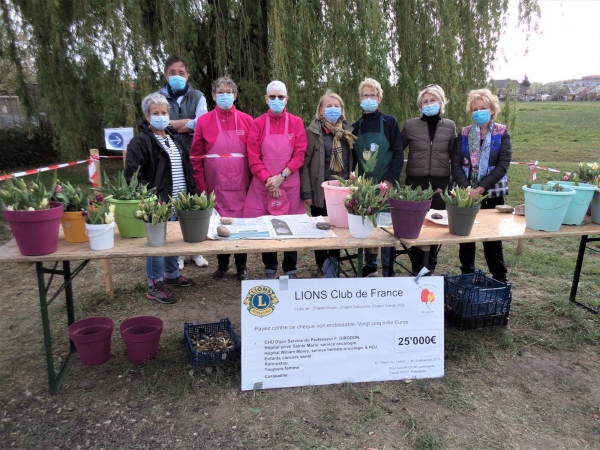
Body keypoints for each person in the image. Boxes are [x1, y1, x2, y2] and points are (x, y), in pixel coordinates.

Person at [125, 93, 197, 304]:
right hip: (159, 202)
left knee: (173, 240)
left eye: (164, 112)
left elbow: (184, 168)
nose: (161, 116)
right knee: (157, 245)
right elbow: (134, 175)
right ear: (147, 117)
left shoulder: (173, 138)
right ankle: (154, 284)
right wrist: (151, 198)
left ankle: (172, 274)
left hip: (179, 199)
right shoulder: (140, 142)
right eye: (156, 113)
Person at [190, 77, 253, 281]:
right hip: (214, 184)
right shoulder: (204, 121)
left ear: (235, 96)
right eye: (221, 92)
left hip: (241, 184)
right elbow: (196, 156)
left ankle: (241, 266)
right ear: (213, 95)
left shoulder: (247, 120)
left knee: (240, 225)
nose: (225, 95)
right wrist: (202, 185)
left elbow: (253, 154)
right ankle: (223, 264)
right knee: (218, 224)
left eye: (229, 92)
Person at [242, 80, 307, 279]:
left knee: (291, 227)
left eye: (280, 97)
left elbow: (300, 154)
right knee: (266, 226)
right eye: (272, 97)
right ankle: (269, 267)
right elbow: (253, 157)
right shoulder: (257, 123)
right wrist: (269, 180)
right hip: (264, 184)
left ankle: (290, 268)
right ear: (266, 99)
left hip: (289, 183)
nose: (277, 100)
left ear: (287, 99)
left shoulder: (296, 122)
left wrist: (282, 177)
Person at [451, 88, 512, 282]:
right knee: (466, 238)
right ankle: (467, 276)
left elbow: (503, 164)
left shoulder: (502, 133)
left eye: (483, 108)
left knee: (492, 238)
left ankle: (500, 278)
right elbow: (456, 163)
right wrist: (468, 189)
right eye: (475, 109)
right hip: (466, 193)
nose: (479, 112)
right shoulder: (464, 133)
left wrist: (481, 188)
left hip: (492, 192)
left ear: (492, 110)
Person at [157, 55, 209, 270]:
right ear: (165, 74)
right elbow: (156, 124)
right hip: (166, 153)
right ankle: (177, 253)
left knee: (193, 198)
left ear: (187, 75)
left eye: (181, 73)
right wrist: (186, 122)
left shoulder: (198, 96)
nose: (177, 76)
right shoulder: (158, 97)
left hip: (192, 151)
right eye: (172, 73)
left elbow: (201, 123)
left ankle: (195, 250)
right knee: (171, 199)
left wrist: (170, 124)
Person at [401, 84, 456, 274]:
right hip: (416, 183)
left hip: (440, 183)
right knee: (416, 228)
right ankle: (417, 268)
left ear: (441, 102)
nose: (429, 104)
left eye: (433, 100)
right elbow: (396, 150)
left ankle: (429, 269)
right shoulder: (410, 125)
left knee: (434, 227)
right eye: (425, 101)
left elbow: (455, 156)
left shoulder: (449, 126)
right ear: (420, 105)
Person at [352, 78, 404, 277]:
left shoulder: (389, 122)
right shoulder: (355, 127)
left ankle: (388, 268)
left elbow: (398, 153)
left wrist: (389, 182)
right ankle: (370, 265)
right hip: (365, 188)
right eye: (365, 95)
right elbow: (353, 160)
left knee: (387, 228)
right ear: (360, 99)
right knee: (367, 226)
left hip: (387, 184)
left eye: (372, 95)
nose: (369, 98)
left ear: (379, 98)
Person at [301, 92, 356, 277]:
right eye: (328, 106)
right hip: (320, 190)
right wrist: (307, 192)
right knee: (322, 230)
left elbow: (352, 159)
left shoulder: (348, 131)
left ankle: (334, 265)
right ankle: (322, 265)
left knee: (338, 229)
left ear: (342, 110)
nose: (333, 109)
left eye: (336, 106)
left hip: (342, 191)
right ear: (321, 110)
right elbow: (305, 165)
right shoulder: (312, 132)